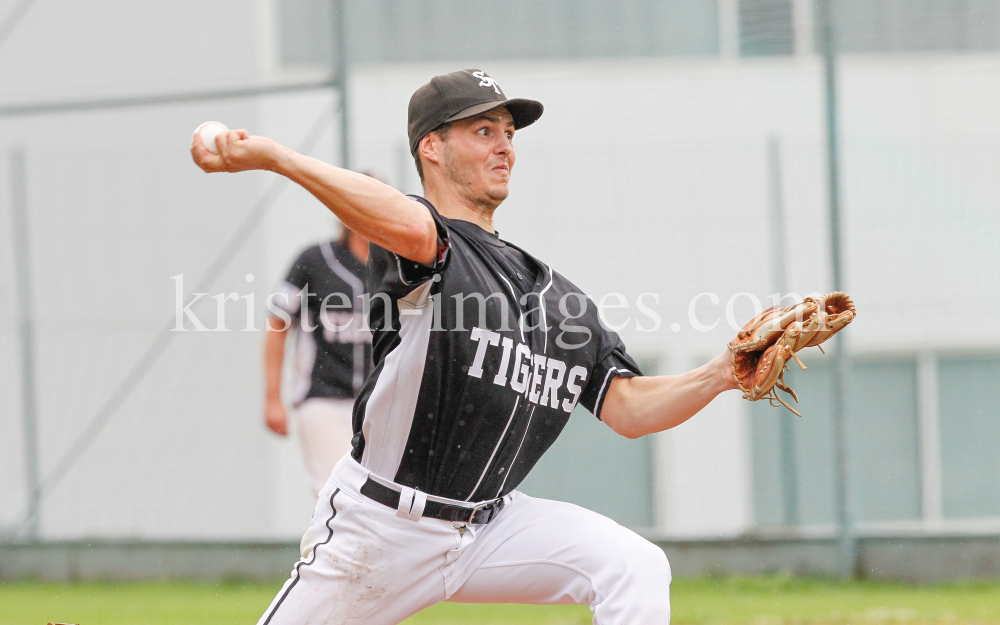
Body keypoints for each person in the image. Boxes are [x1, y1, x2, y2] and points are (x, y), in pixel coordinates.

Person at [192, 68, 740, 625]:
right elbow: (408, 224)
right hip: (381, 528)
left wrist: (723, 372)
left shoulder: (557, 298)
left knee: (633, 564)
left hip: (491, 529)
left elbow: (628, 408)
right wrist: (277, 158)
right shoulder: (425, 246)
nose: (505, 146)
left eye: (509, 132)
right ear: (431, 147)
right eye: (484, 131)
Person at [264, 224, 372, 496]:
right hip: (323, 398)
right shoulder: (313, 260)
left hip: (379, 405)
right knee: (338, 497)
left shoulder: (398, 265)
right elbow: (278, 325)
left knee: (377, 506)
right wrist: (272, 397)